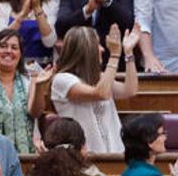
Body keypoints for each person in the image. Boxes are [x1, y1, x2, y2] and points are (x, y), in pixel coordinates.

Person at [51, 24, 139, 154]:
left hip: (116, 153)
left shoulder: (100, 78)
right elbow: (101, 93)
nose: (102, 49)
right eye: (97, 45)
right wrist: (114, 55)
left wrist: (128, 53)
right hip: (85, 157)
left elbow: (129, 90)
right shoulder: (61, 80)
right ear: (85, 50)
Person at [0, 29, 51, 154]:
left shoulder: (29, 81)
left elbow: (35, 113)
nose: (9, 51)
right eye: (3, 46)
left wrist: (39, 86)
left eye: (14, 47)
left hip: (26, 154)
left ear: (20, 54)